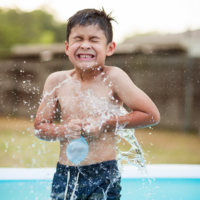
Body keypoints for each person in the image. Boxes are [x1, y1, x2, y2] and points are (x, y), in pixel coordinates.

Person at [34, 7, 160, 200]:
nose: (85, 45)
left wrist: (106, 123)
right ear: (67, 47)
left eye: (94, 40)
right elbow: (40, 128)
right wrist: (64, 130)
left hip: (104, 173)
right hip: (66, 173)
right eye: (78, 39)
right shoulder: (56, 81)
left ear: (110, 48)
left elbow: (151, 115)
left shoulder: (114, 78)